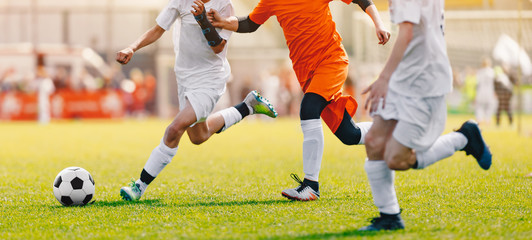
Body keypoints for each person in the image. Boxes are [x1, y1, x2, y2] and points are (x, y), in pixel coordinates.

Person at [210, 0, 390, 201]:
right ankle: (391, 132)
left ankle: (311, 185)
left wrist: (379, 23)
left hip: (332, 61)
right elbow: (251, 23)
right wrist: (224, 22)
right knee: (350, 135)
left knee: (309, 108)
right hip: (307, 73)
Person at [117, 0, 278, 201]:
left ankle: (139, 186)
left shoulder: (224, 5)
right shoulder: (180, 1)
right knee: (199, 136)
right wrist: (132, 47)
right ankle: (247, 107)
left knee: (174, 129)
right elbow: (158, 29)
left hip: (209, 79)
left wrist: (202, 19)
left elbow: (218, 47)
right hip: (184, 78)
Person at [359, 0, 492, 231]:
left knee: (396, 159)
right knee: (373, 142)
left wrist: (384, 78)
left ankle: (463, 138)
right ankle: (390, 217)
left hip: (425, 81)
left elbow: (407, 33)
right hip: (404, 76)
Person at [475, 58, 497, 125]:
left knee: (479, 106)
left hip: (481, 91)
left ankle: (479, 119)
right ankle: (487, 119)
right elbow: (494, 83)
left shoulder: (479, 72)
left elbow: (477, 83)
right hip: (489, 91)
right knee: (490, 106)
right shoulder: (492, 71)